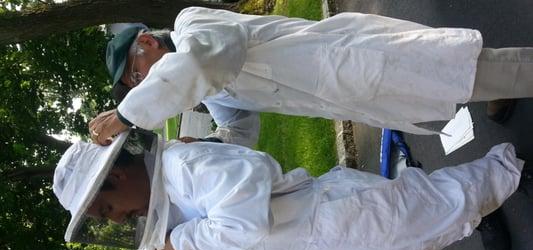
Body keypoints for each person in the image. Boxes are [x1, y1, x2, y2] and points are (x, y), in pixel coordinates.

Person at [53, 131, 532, 250]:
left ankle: (512, 169)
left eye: (106, 210)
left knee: (433, 209)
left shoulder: (186, 167)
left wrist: (185, 243)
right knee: (422, 233)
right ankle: (488, 197)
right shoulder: (168, 194)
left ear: (115, 176)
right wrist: (179, 247)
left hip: (340, 218)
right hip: (328, 239)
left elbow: (240, 222)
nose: (117, 221)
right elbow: (197, 236)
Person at [89, 7, 533, 147]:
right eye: (135, 85)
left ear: (146, 43)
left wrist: (127, 117)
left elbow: (201, 63)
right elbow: (239, 130)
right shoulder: (211, 89)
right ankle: (496, 92)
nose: (143, 83)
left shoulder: (191, 29)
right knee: (443, 88)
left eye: (135, 75)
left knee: (464, 69)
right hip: (346, 93)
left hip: (351, 59)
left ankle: (510, 82)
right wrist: (205, 143)